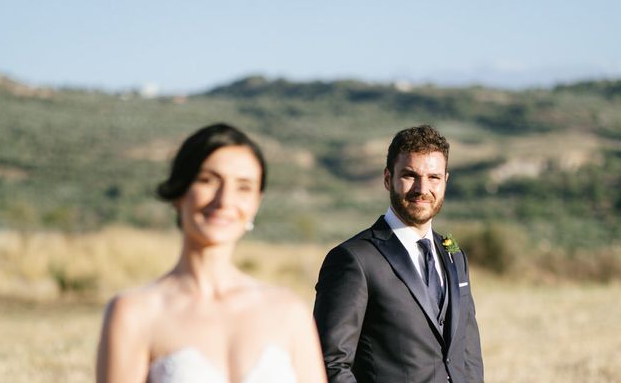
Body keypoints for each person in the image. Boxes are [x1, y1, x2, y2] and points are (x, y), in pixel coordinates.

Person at [97, 123, 327, 383]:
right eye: (208, 180)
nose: (224, 200)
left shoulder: (289, 311)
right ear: (179, 191)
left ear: (256, 203)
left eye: (243, 187)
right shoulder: (134, 313)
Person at [313, 125, 483, 383]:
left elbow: (468, 354)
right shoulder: (353, 260)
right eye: (410, 175)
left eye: (434, 177)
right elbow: (329, 362)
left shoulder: (453, 254)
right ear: (387, 178)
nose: (422, 188)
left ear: (445, 180)